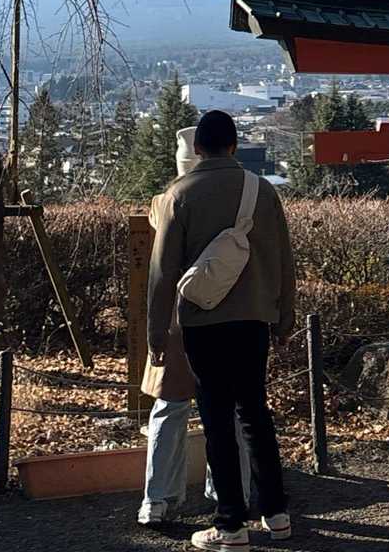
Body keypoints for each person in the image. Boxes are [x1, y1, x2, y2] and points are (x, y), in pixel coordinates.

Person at [148, 109, 296, 550]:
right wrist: (284, 318)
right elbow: (283, 258)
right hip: (254, 318)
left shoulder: (179, 195)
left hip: (203, 321)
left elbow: (162, 273)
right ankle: (276, 512)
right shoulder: (261, 191)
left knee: (216, 419)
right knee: (254, 413)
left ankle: (231, 524)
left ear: (197, 148)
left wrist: (157, 334)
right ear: (234, 145)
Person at [138, 128, 253, 526]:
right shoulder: (246, 195)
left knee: (169, 407)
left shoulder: (168, 200)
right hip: (234, 315)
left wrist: (154, 332)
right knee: (231, 409)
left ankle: (158, 499)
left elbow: (160, 269)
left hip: (179, 320)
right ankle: (231, 492)